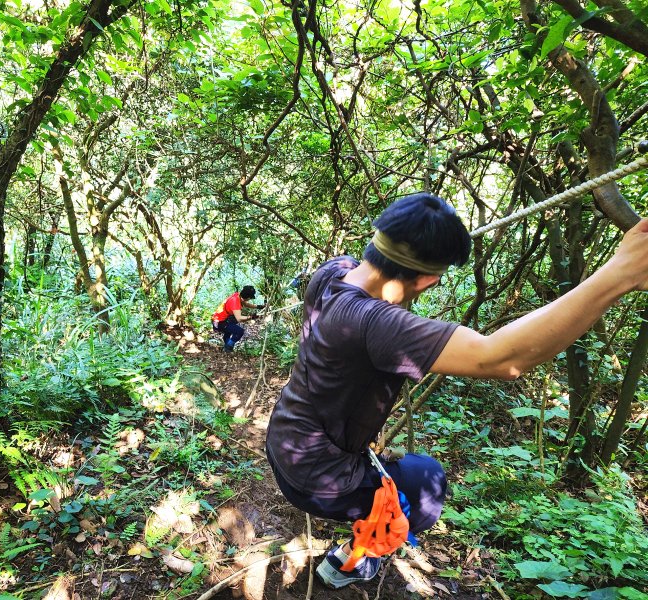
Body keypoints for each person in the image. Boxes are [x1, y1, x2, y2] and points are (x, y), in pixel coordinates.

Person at [265, 192, 648, 589]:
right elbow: (502, 358)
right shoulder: (373, 322)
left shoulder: (334, 272)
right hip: (315, 479)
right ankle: (350, 561)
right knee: (424, 483)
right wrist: (619, 274)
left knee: (406, 475)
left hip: (283, 440)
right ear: (430, 279)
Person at [212, 285, 264, 353]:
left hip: (220, 319)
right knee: (239, 331)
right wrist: (251, 317)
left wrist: (258, 306)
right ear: (248, 297)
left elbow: (245, 304)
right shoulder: (235, 302)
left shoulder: (237, 295)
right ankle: (228, 348)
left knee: (233, 323)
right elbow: (239, 318)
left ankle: (227, 343)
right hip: (219, 323)